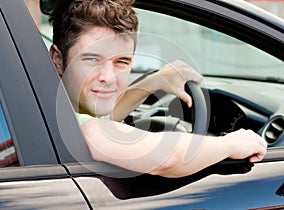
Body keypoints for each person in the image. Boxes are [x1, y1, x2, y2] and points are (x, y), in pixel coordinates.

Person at [49, 0, 267, 178]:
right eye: (91, 59)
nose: (108, 78)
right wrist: (230, 144)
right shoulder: (79, 130)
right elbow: (165, 159)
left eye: (121, 62)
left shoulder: (58, 108)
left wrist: (155, 81)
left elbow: (108, 116)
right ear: (58, 59)